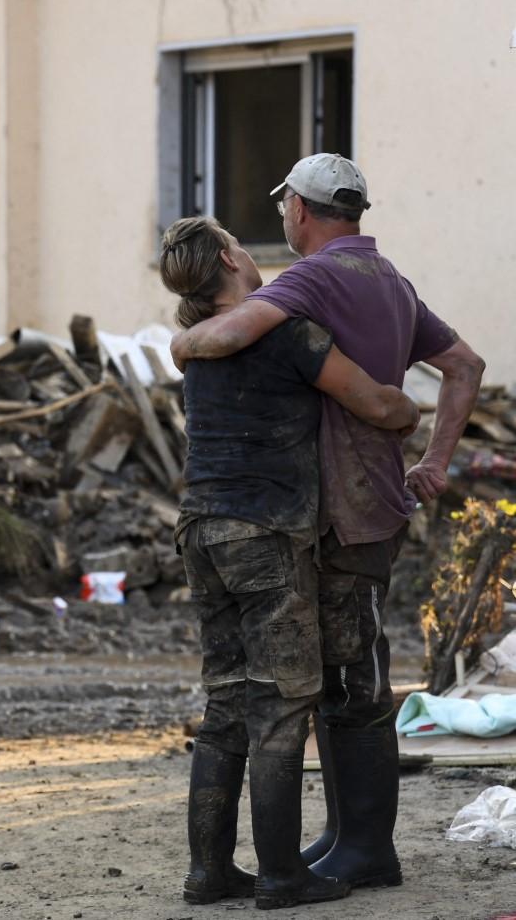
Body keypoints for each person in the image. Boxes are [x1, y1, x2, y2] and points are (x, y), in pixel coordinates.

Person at [170, 154, 486, 891]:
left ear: (302, 210)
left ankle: (360, 849)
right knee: (356, 670)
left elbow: (217, 337)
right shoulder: (392, 282)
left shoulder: (306, 282)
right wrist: (433, 462)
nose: (279, 219)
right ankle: (347, 838)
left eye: (284, 206)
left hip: (329, 513)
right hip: (375, 500)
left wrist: (178, 341)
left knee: (341, 681)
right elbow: (465, 366)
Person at [159, 216, 420, 910]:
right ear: (227, 257)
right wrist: (406, 414)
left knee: (224, 703)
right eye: (240, 243)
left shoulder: (197, 348)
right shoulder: (286, 332)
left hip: (200, 530)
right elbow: (370, 400)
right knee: (280, 705)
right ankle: (281, 874)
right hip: (266, 536)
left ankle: (208, 871)